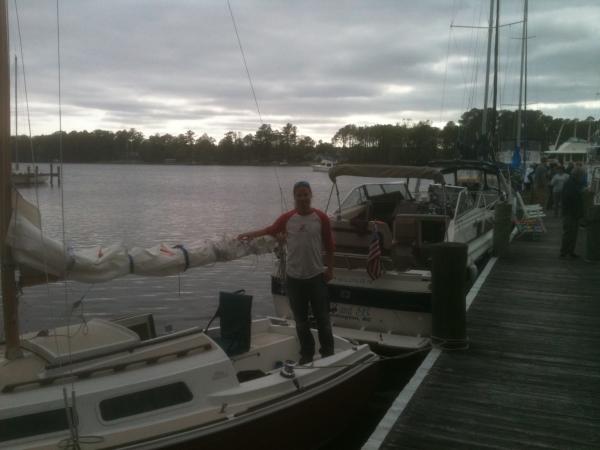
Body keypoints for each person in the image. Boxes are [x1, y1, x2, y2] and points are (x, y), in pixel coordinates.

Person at [237, 181, 335, 364]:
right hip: (294, 279)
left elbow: (330, 246)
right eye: (299, 195)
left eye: (306, 194)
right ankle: (307, 355)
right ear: (294, 197)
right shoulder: (287, 218)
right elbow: (270, 230)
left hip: (316, 277)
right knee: (301, 321)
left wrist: (330, 269)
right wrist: (249, 234)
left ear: (311, 195)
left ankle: (328, 353)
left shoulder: (321, 218)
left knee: (323, 319)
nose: (303, 198)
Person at [560, 169, 585, 258]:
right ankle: (563, 252)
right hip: (570, 213)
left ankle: (570, 252)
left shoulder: (572, 183)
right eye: (581, 176)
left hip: (572, 213)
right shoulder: (571, 184)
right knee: (568, 233)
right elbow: (569, 200)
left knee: (573, 234)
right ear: (577, 176)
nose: (582, 178)